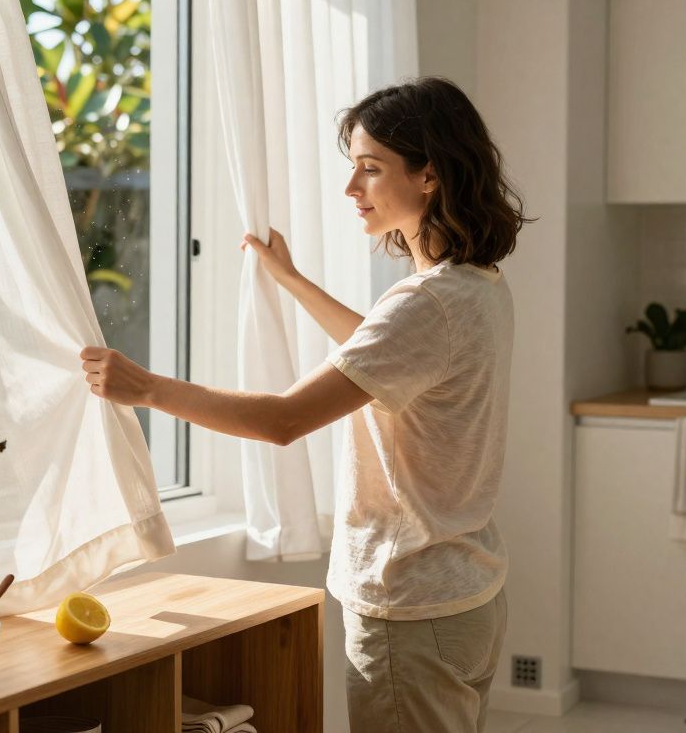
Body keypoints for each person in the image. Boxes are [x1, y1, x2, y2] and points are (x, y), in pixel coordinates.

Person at [79, 76, 531, 733]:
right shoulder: (473, 286)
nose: (352, 189)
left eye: (370, 169)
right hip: (466, 596)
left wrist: (144, 387)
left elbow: (283, 420)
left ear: (429, 175)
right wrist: (290, 280)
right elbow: (382, 352)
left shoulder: (425, 304)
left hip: (411, 607)